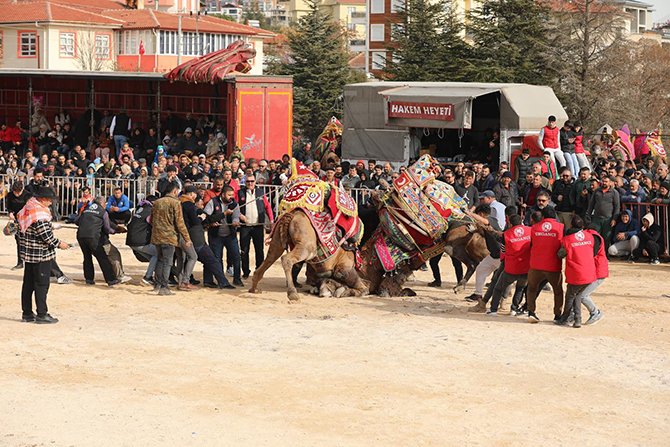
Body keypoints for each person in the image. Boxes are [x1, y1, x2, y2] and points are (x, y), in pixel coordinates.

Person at [16, 186, 70, 324]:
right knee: (41, 285)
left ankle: (27, 314)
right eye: (50, 200)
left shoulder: (29, 206)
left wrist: (51, 226)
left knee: (28, 285)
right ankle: (42, 314)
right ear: (43, 199)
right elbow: (46, 236)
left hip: (29, 254)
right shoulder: (40, 214)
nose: (51, 203)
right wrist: (60, 244)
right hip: (41, 255)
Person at [180, 185, 234, 289]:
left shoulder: (180, 204)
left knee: (193, 260)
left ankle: (204, 281)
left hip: (187, 237)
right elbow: (201, 221)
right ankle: (223, 282)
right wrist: (224, 214)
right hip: (196, 239)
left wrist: (206, 222)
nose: (202, 205)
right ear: (193, 195)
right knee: (212, 260)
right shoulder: (190, 206)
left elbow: (205, 221)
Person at [555, 215, 598, 328]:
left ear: (571, 225)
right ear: (582, 226)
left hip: (576, 273)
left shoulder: (568, 240)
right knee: (577, 295)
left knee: (570, 296)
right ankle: (577, 319)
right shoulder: (590, 236)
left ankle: (565, 318)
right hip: (589, 273)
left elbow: (560, 254)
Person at [150, 181, 192, 295]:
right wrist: (187, 238)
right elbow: (180, 223)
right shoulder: (175, 203)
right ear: (174, 191)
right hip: (169, 236)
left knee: (160, 260)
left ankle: (157, 285)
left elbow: (151, 219)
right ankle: (164, 287)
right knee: (167, 262)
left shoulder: (157, 202)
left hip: (157, 236)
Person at [484, 214, 531, 316]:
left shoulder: (507, 235)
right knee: (520, 289)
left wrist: (490, 230)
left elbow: (502, 248)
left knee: (498, 288)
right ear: (521, 221)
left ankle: (493, 310)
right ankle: (514, 309)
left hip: (512, 268)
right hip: (526, 268)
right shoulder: (530, 231)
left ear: (509, 223)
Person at [526, 207, 565, 323]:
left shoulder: (534, 228)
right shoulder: (561, 227)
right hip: (553, 265)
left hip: (536, 264)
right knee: (558, 291)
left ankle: (531, 312)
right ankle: (557, 315)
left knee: (531, 289)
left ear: (543, 216)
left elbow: (531, 244)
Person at [75, 197, 121, 287]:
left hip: (81, 236)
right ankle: (111, 280)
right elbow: (107, 228)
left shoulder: (86, 209)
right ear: (102, 203)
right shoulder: (103, 212)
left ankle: (89, 279)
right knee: (102, 257)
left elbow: (76, 221)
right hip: (94, 237)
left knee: (87, 257)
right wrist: (115, 231)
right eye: (105, 203)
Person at [204, 185, 243, 286]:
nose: (231, 197)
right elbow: (206, 216)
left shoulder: (234, 204)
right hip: (215, 235)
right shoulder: (213, 202)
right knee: (217, 258)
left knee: (236, 257)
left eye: (232, 195)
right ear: (223, 194)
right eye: (229, 195)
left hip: (230, 235)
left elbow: (236, 216)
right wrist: (211, 223)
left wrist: (235, 222)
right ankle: (221, 280)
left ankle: (237, 278)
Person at [463, 204, 502, 303]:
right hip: (493, 255)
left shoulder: (491, 220)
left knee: (503, 279)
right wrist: (474, 230)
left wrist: (468, 213)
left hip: (501, 255)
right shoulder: (488, 223)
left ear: (481, 214)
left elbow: (485, 222)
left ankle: (503, 299)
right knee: (480, 270)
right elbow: (483, 230)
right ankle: (478, 294)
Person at [238, 175, 274, 280]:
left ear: (255, 181)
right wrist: (239, 215)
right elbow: (234, 206)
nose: (250, 183)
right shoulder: (240, 193)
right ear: (245, 182)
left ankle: (259, 270)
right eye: (248, 181)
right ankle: (245, 271)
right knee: (244, 250)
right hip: (245, 226)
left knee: (259, 250)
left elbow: (267, 207)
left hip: (258, 226)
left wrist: (271, 220)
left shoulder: (261, 192)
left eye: (252, 181)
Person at [126, 195, 158, 286]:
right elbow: (154, 224)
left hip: (131, 240)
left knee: (154, 257)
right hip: (139, 241)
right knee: (158, 253)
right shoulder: (150, 211)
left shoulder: (141, 208)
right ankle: (148, 277)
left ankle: (153, 276)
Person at [587, 176, 620, 245]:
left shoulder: (614, 193)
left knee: (606, 238)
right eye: (603, 181)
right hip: (596, 218)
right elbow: (591, 204)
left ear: (610, 183)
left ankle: (605, 254)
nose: (604, 183)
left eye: (606, 182)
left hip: (608, 219)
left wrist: (614, 219)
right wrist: (588, 215)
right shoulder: (597, 191)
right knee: (595, 237)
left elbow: (617, 207)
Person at [7, 181, 31, 270]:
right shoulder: (10, 195)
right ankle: (20, 262)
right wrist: (10, 213)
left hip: (27, 219)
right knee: (18, 240)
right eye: (15, 192)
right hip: (17, 220)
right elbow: (9, 206)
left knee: (29, 240)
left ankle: (30, 262)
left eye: (18, 192)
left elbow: (30, 208)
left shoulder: (28, 195)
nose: (16, 194)